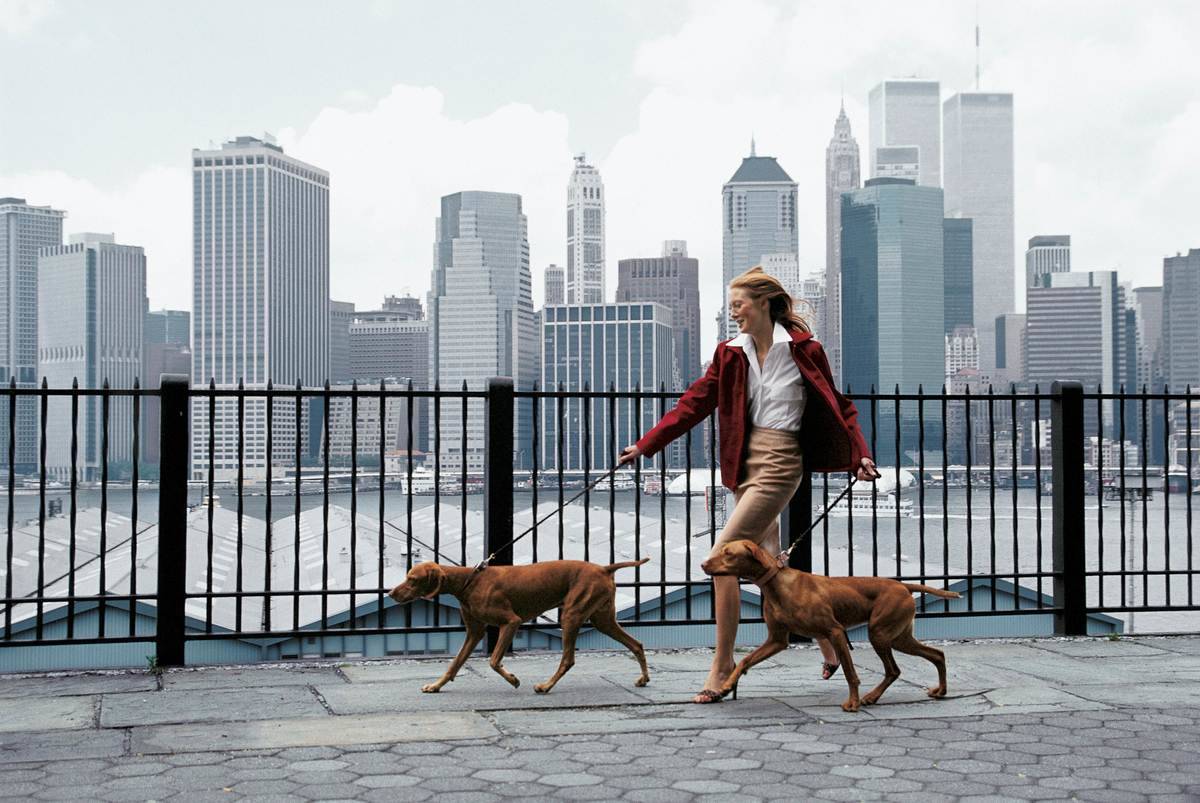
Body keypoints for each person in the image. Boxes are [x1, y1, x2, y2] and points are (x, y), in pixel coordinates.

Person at [619, 266, 878, 703]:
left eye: (738, 304)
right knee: (769, 565)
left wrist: (860, 455)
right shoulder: (730, 353)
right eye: (731, 305)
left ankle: (722, 665)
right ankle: (828, 643)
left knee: (723, 557)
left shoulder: (804, 350)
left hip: (782, 460)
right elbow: (694, 402)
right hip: (743, 462)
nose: (733, 311)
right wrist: (647, 444)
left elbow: (839, 405)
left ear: (763, 303)